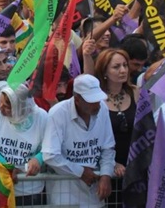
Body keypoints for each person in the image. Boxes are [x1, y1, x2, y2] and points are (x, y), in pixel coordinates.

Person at [42, 74, 116, 207]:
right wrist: (80, 171)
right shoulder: (58, 113)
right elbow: (50, 155)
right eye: (91, 101)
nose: (97, 104)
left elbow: (108, 148)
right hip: (64, 194)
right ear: (77, 100)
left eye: (98, 99)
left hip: (94, 193)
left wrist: (106, 174)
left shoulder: (103, 109)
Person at [0, 84, 48, 206]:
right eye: (0, 102)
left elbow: (50, 147)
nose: (0, 108)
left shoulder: (41, 117)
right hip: (0, 187)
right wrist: (6, 166)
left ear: (20, 108)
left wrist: (38, 159)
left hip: (30, 189)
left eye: (6, 106)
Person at [93, 48, 137, 205]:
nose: (123, 70)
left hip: (134, 168)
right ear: (104, 71)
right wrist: (111, 164)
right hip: (106, 170)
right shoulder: (96, 100)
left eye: (125, 65)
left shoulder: (135, 93)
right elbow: (93, 137)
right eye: (116, 67)